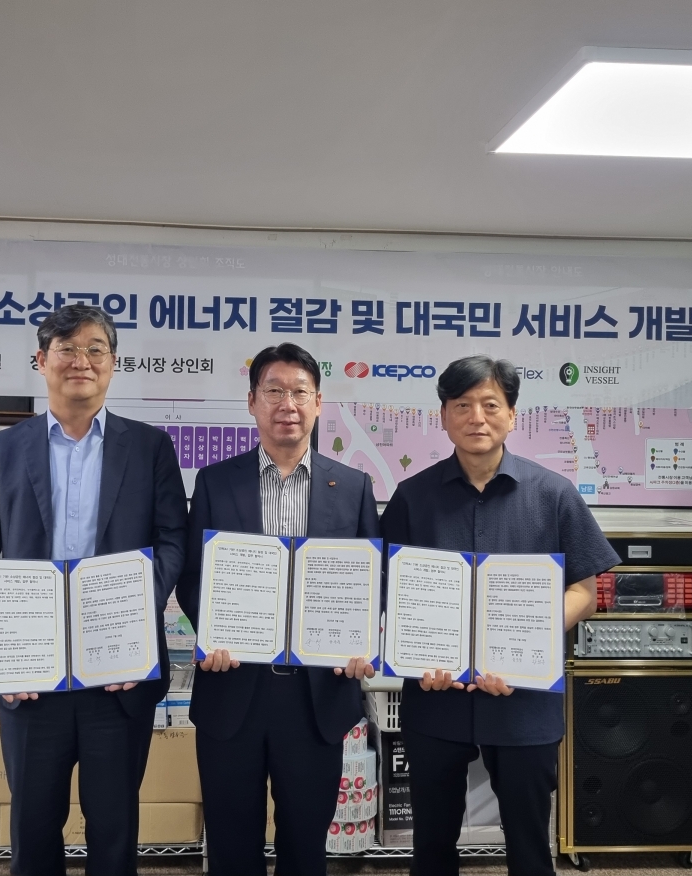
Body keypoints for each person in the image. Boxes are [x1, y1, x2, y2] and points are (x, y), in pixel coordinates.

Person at [0, 305, 187, 876]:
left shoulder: (150, 447)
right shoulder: (4, 449)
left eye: (94, 349)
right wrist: (9, 632)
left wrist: (134, 623)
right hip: (32, 677)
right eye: (66, 349)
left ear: (113, 363)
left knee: (115, 828)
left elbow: (171, 543)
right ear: (41, 361)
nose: (81, 361)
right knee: (33, 828)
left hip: (119, 674)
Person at [379, 355, 620, 876]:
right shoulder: (412, 497)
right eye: (462, 405)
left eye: (491, 405)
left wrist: (524, 644)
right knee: (432, 844)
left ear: (512, 415)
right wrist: (412, 651)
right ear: (444, 416)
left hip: (524, 700)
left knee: (529, 846)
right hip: (436, 696)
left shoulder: (553, 494)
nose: (477, 418)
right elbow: (389, 590)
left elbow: (585, 591)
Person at [175, 342, 378, 876]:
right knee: (231, 845)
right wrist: (211, 632)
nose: (287, 404)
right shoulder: (215, 482)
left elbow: (368, 583)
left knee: (306, 848)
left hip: (316, 697)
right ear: (252, 402)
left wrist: (361, 642)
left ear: (318, 403)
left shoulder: (352, 486)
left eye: (300, 392)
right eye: (273, 391)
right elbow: (193, 576)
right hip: (233, 687)